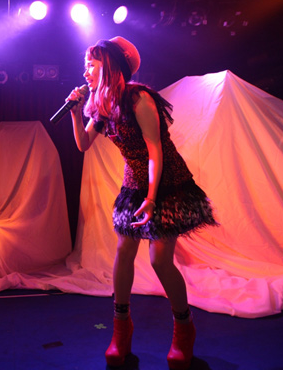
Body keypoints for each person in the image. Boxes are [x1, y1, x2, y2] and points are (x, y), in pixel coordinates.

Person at [67, 37, 217, 369]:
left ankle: (184, 329)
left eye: (91, 64)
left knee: (160, 260)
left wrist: (151, 198)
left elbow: (154, 150)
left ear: (110, 66)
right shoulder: (101, 104)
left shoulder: (138, 98)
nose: (85, 71)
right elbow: (83, 144)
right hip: (134, 183)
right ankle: (121, 330)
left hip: (166, 182)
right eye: (85, 65)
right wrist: (76, 114)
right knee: (124, 251)